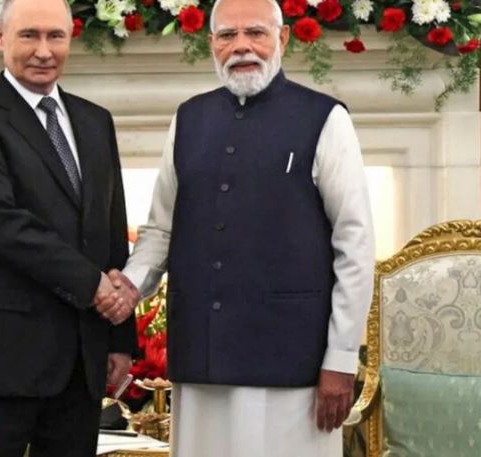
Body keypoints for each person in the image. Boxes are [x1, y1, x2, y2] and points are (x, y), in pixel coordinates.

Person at [118, 0, 375, 455]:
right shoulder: (188, 118)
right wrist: (126, 289)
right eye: (227, 35)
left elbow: (354, 245)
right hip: (202, 355)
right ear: (211, 44)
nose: (241, 47)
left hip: (292, 359)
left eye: (255, 33)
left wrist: (341, 359)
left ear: (283, 38)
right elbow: (160, 230)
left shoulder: (325, 118)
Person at [0, 0, 139, 456]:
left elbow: (111, 232)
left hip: (81, 362)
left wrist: (119, 338)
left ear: (71, 38)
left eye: (56, 36)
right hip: (1, 357)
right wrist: (92, 285)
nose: (44, 51)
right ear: (0, 36)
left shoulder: (95, 121)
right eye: (29, 35)